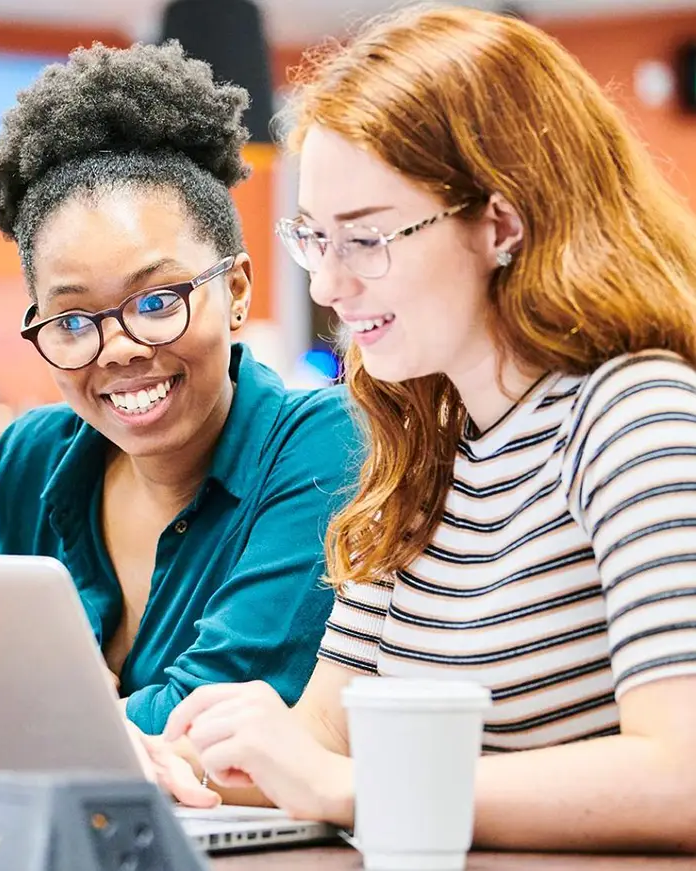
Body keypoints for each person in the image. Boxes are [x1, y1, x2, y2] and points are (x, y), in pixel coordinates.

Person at [147, 6, 696, 853]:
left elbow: (680, 774)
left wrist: (349, 784)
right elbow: (323, 743)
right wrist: (163, 760)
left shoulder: (637, 416)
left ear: (501, 226)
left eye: (365, 238)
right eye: (315, 239)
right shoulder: (427, 447)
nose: (329, 285)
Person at [0, 42, 362, 735]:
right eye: (72, 319)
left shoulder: (326, 442)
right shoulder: (30, 459)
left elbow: (210, 717)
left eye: (157, 301)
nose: (120, 349)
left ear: (238, 292)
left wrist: (40, 701)